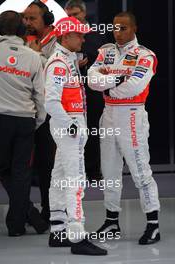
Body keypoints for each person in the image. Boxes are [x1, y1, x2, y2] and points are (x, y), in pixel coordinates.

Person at [88, 11, 160, 245]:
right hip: (108, 115)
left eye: (124, 28)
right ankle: (111, 222)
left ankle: (153, 224)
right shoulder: (105, 51)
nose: (118, 32)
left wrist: (107, 86)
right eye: (115, 28)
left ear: (135, 28)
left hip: (132, 115)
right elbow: (91, 79)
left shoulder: (145, 56)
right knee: (109, 173)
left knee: (141, 171)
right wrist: (115, 82)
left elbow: (135, 87)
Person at [44, 16, 107, 255]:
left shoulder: (68, 59)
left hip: (69, 126)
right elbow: (50, 101)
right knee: (76, 181)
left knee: (59, 176)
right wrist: (70, 125)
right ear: (65, 37)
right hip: (68, 127)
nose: (83, 38)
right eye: (79, 34)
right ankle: (77, 236)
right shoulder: (59, 63)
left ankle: (58, 231)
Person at [0, 10, 45, 236]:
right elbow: (41, 95)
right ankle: (18, 226)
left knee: (7, 171)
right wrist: (37, 120)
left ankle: (30, 215)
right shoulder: (34, 57)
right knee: (20, 173)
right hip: (25, 121)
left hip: (0, 119)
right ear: (21, 30)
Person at [23, 0, 57, 223]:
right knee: (21, 166)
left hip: (50, 113)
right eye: (25, 18)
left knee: (47, 165)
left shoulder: (58, 40)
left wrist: (37, 56)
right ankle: (23, 212)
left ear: (46, 20)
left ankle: (49, 208)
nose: (27, 22)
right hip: (25, 112)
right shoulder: (22, 41)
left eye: (32, 18)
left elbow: (56, 73)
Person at [64, 0, 106, 181]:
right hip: (70, 91)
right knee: (71, 131)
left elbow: (105, 60)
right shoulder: (63, 35)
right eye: (68, 16)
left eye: (75, 15)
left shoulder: (97, 34)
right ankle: (73, 171)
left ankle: (93, 171)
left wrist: (89, 60)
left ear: (84, 13)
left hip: (92, 90)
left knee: (93, 130)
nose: (71, 18)